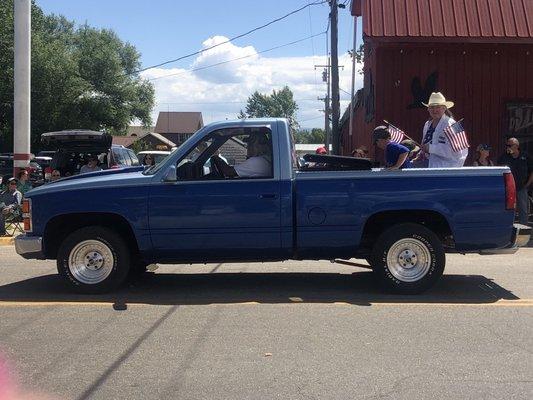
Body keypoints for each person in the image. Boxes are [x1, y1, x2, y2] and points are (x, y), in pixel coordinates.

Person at [417, 92, 468, 168]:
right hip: (430, 166)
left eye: (438, 107)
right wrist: (422, 153)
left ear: (444, 108)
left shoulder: (452, 124)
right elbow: (425, 144)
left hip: (448, 169)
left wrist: (430, 148)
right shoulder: (427, 124)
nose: (434, 110)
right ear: (428, 109)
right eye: (432, 107)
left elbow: (457, 151)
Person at [497, 137, 533, 225]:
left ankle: (523, 230)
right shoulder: (504, 157)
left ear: (516, 146)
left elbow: (532, 170)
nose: (507, 147)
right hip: (508, 189)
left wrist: (527, 184)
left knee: (523, 209)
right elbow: (498, 169)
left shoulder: (525, 156)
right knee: (508, 208)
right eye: (507, 145)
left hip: (521, 187)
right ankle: (508, 228)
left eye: (509, 145)